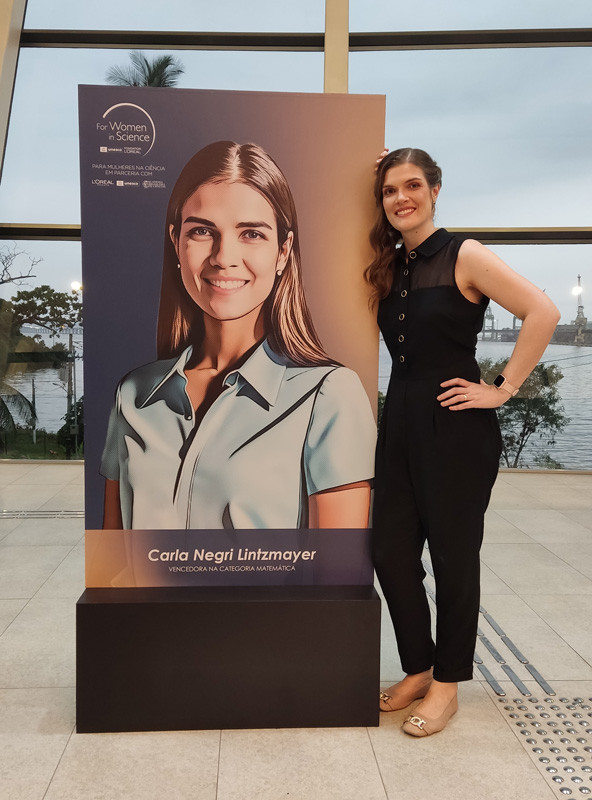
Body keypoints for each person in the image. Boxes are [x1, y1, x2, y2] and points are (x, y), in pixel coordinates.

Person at [367, 147, 559, 736]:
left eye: (412, 186)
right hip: (398, 420)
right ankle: (419, 667)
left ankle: (447, 684)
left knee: (453, 558)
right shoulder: (392, 263)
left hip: (455, 426)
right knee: (390, 552)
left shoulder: (465, 254)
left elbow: (542, 311)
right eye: (390, 190)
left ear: (436, 190)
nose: (401, 197)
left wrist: (501, 389)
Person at [101, 141, 375, 530]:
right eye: (201, 231)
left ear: (283, 251)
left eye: (251, 234)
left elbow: (337, 578)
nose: (223, 257)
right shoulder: (132, 394)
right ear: (177, 242)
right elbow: (114, 567)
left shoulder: (329, 396)